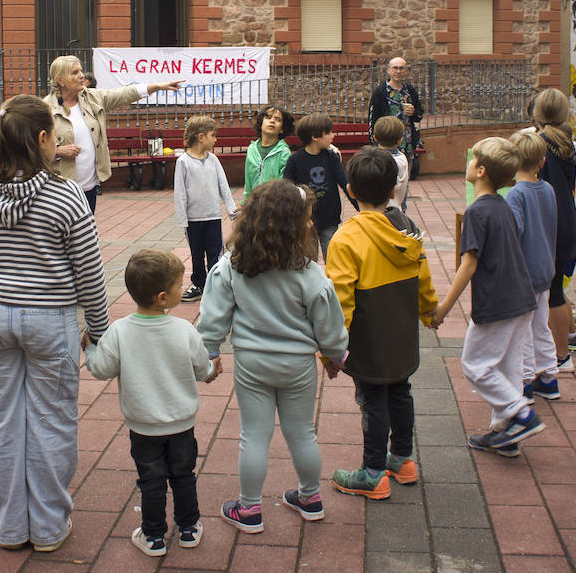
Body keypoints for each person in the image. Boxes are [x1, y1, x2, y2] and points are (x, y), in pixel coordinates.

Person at [0, 94, 110, 551]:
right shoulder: (65, 195)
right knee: (51, 422)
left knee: (6, 424)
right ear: (44, 139)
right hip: (51, 319)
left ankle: (11, 527)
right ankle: (47, 527)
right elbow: (89, 270)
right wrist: (100, 330)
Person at [198, 180, 349, 533]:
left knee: (254, 435)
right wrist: (336, 356)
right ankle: (310, 498)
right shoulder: (310, 274)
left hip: (252, 365)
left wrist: (210, 354)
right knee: (302, 434)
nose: (311, 224)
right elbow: (328, 324)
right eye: (307, 219)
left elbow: (213, 316)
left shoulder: (231, 266)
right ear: (293, 226)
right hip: (298, 366)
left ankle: (249, 509)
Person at [85, 250, 216, 556]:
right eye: (178, 284)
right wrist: (211, 372)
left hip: (143, 426)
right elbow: (201, 368)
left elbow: (101, 369)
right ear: (162, 297)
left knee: (151, 480)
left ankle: (154, 535)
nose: (182, 288)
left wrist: (91, 349)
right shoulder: (184, 330)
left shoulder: (119, 331)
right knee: (183, 475)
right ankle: (189, 528)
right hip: (181, 423)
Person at [326, 148, 437, 499]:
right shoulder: (407, 227)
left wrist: (332, 347)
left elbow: (340, 300)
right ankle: (402, 460)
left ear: (351, 191)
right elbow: (423, 275)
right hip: (403, 333)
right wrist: (429, 310)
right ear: (393, 190)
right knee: (401, 392)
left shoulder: (345, 237)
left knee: (373, 399)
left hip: (369, 339)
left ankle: (373, 472)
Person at [433, 138, 545, 457]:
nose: (468, 163)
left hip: (498, 303)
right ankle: (505, 435)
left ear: (480, 171)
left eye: (473, 159)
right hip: (522, 300)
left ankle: (521, 415)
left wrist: (444, 308)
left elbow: (469, 264)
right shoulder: (502, 205)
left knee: (476, 366)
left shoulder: (477, 212)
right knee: (509, 369)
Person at [44, 55, 182, 213]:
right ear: (60, 80)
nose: (81, 75)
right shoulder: (45, 108)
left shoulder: (93, 98)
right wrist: (58, 150)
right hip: (62, 189)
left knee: (86, 234)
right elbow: (32, 146)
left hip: (89, 188)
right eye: (75, 72)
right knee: (64, 235)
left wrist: (157, 86)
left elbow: (124, 93)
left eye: (81, 70)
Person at [527, 89, 576, 370]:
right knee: (558, 291)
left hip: (546, 222)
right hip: (568, 222)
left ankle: (551, 355)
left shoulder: (538, 144)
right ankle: (563, 355)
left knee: (545, 293)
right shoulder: (568, 143)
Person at [506, 131, 560, 403]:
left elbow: (514, 231)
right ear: (542, 161)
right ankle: (549, 375)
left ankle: (525, 380)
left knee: (523, 328)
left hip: (525, 273)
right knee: (541, 324)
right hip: (545, 267)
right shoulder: (548, 189)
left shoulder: (516, 194)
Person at [174, 115, 238, 302]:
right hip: (193, 220)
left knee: (215, 252)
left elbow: (223, 186)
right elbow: (180, 192)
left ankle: (216, 285)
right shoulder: (183, 162)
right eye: (213, 135)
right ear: (201, 137)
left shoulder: (214, 160)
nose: (216, 139)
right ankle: (199, 284)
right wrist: (182, 219)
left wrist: (231, 208)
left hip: (213, 217)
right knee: (196, 254)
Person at [283, 113, 356, 260]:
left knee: (334, 260)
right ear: (315, 137)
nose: (332, 136)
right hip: (306, 223)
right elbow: (288, 191)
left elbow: (345, 183)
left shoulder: (331, 157)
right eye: (328, 132)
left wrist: (361, 207)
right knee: (308, 262)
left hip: (330, 220)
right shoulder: (295, 160)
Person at [367, 57, 424, 174]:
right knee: (386, 176)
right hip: (386, 142)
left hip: (407, 142)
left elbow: (419, 114)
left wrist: (414, 113)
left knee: (404, 177)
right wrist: (374, 141)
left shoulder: (410, 91)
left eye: (401, 68)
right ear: (389, 70)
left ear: (406, 71)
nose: (398, 71)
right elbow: (372, 118)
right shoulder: (380, 92)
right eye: (395, 68)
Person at [242, 104, 293, 198]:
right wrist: (245, 201)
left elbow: (284, 184)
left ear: (282, 129)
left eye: (278, 119)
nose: (272, 121)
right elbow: (248, 179)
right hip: (254, 202)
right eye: (268, 117)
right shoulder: (252, 149)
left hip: (273, 204)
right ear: (261, 124)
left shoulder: (284, 152)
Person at [370, 115, 411, 213]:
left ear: (375, 138)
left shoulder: (378, 161)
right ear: (400, 140)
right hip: (398, 209)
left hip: (380, 211)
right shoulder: (402, 158)